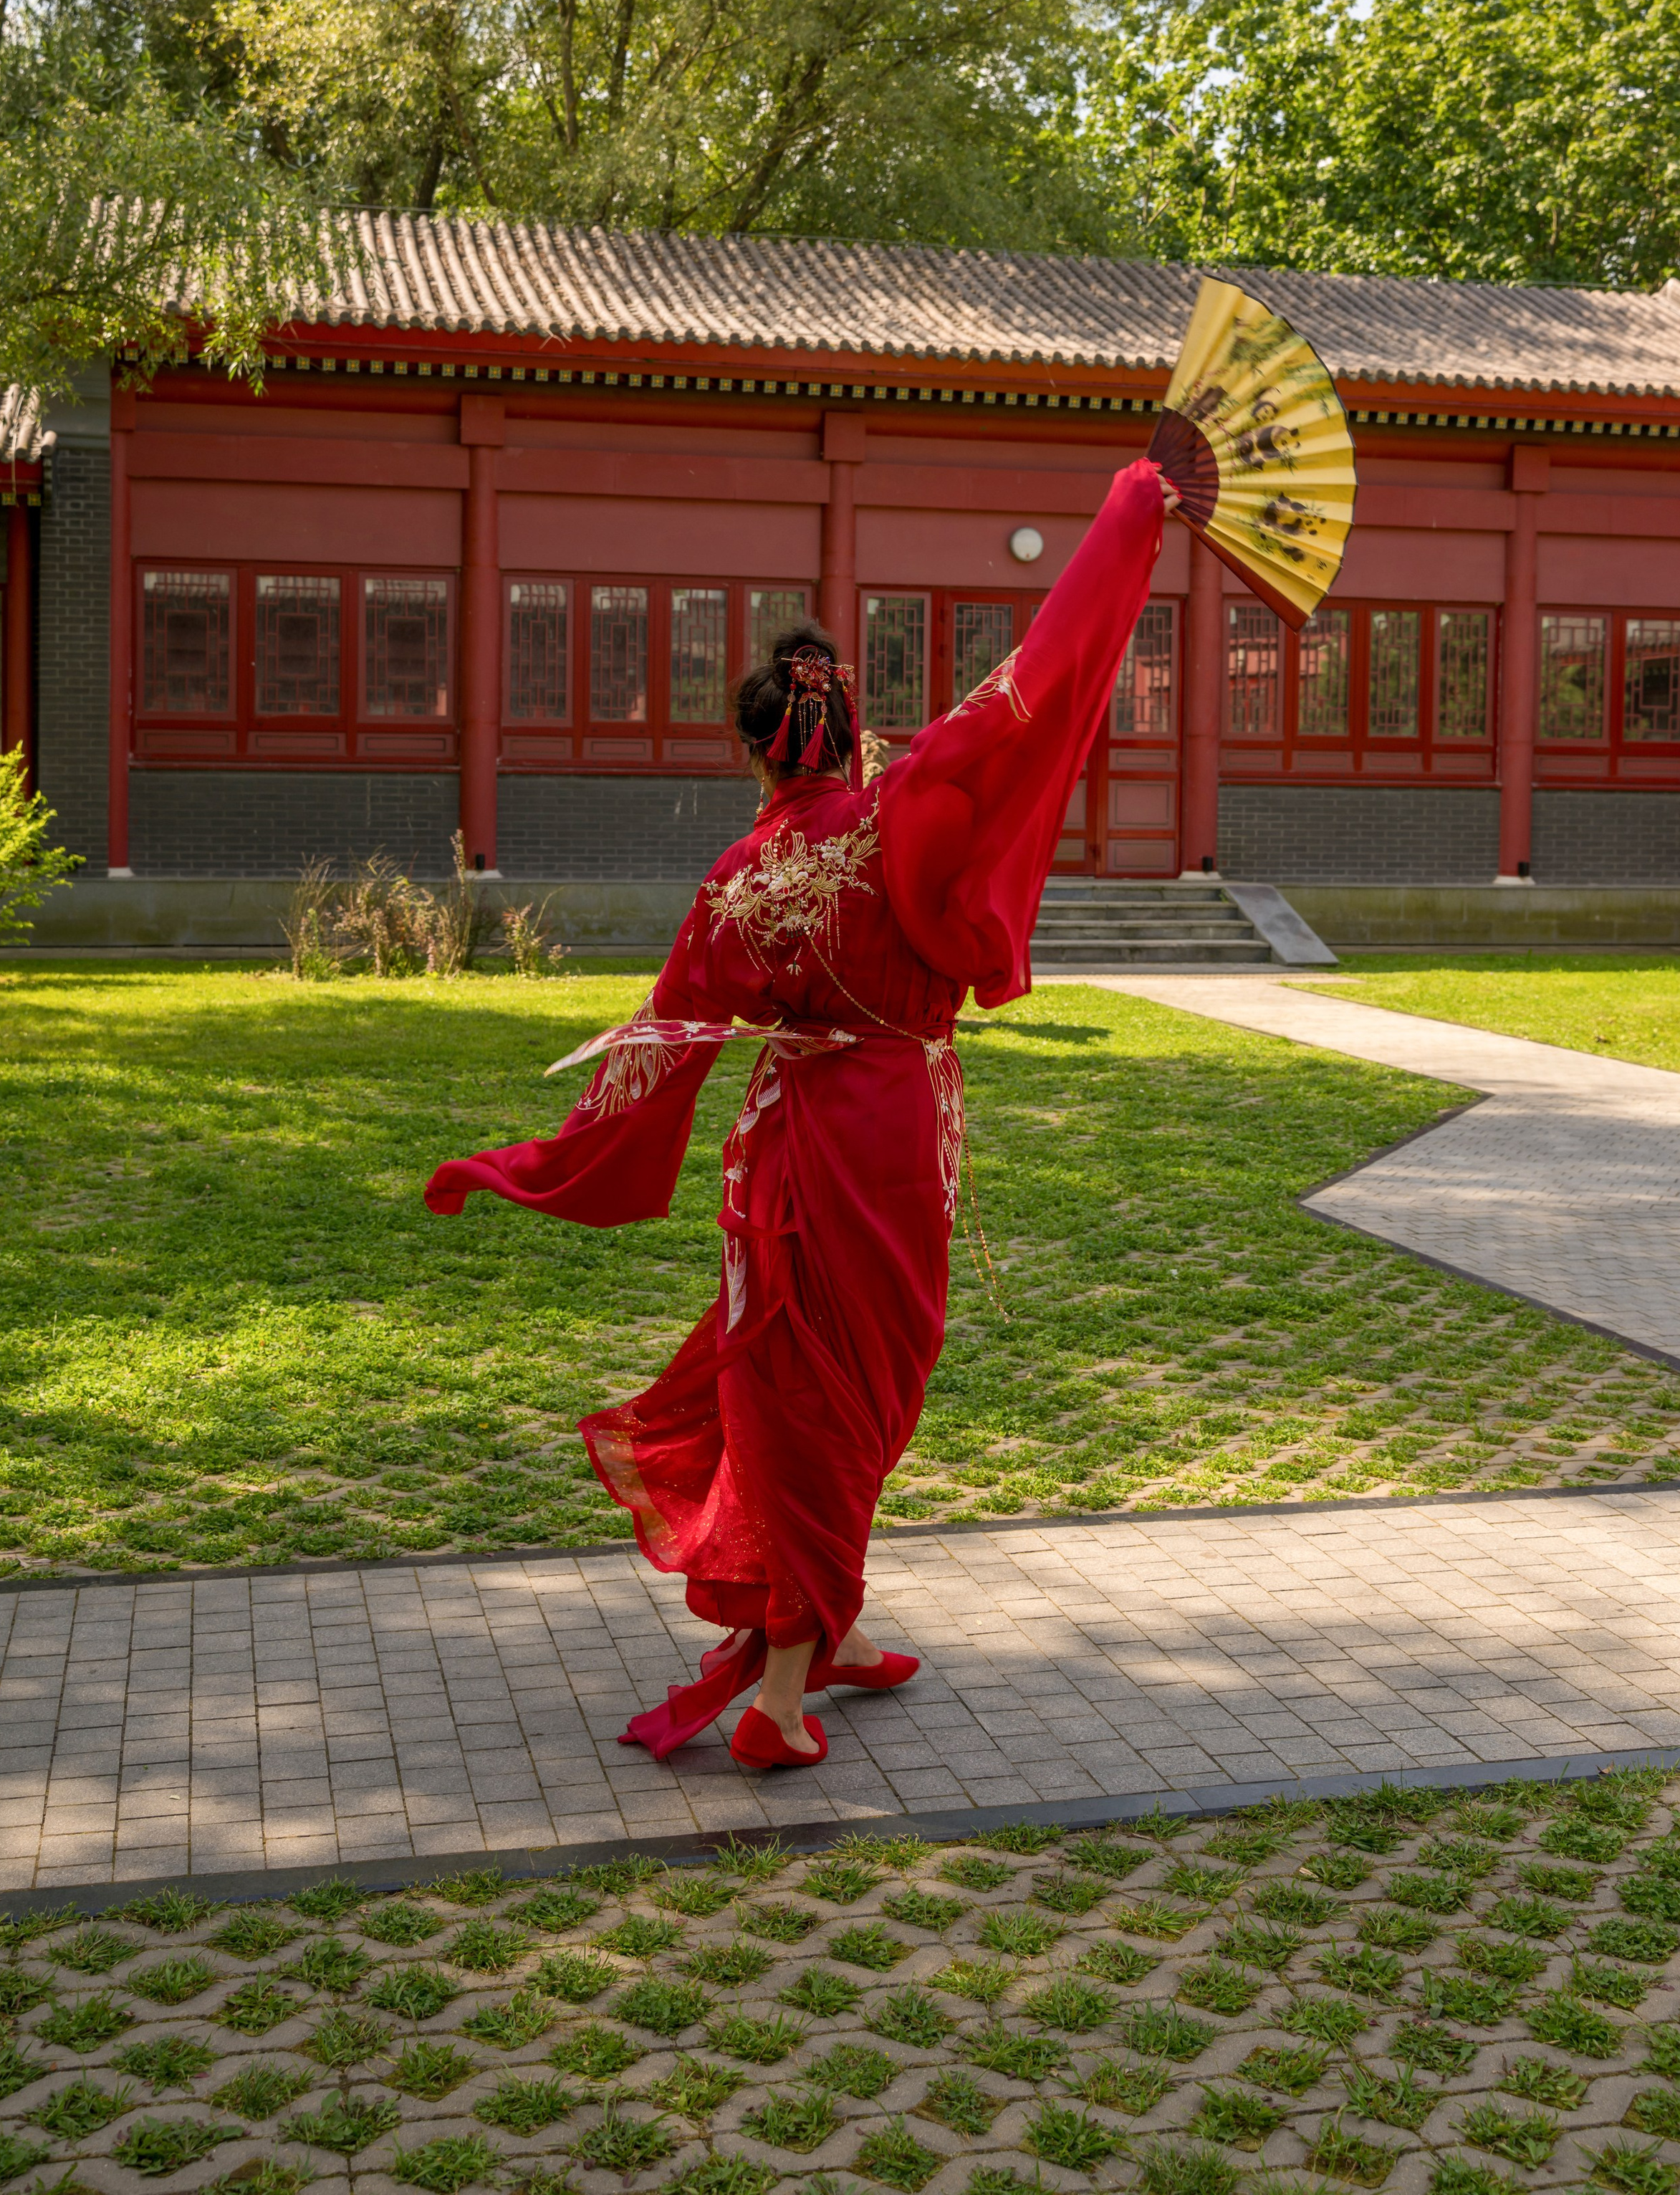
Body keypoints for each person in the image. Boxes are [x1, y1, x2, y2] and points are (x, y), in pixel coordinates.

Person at [425, 454, 1178, 1772]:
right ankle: (779, 1696)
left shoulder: (738, 878)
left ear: (757, 748)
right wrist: (1131, 513)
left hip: (786, 1148)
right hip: (893, 1137)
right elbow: (1038, 684)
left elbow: (660, 1048)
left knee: (800, 1388)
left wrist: (534, 1162)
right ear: (845, 733)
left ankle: (820, 1630)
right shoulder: (908, 807)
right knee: (856, 1392)